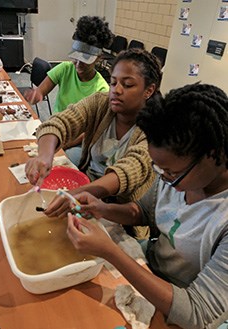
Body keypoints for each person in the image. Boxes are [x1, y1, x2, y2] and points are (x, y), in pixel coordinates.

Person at [66, 82, 228, 329]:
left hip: (185, 304)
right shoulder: (175, 175)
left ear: (215, 155)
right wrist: (103, 208)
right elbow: (144, 211)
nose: (163, 178)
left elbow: (198, 313)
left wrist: (111, 252)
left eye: (172, 173)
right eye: (159, 169)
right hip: (152, 267)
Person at [25, 48, 163, 239]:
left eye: (128, 84)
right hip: (85, 189)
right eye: (113, 82)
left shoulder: (155, 130)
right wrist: (44, 155)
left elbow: (125, 173)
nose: (117, 90)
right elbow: (59, 122)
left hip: (118, 214)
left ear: (149, 90)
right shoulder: (101, 103)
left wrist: (74, 195)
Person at [24, 15, 113, 114]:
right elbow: (40, 92)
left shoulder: (101, 90)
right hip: (56, 124)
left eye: (84, 60)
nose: (78, 64)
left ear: (98, 58)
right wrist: (35, 95)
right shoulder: (65, 69)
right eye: (76, 58)